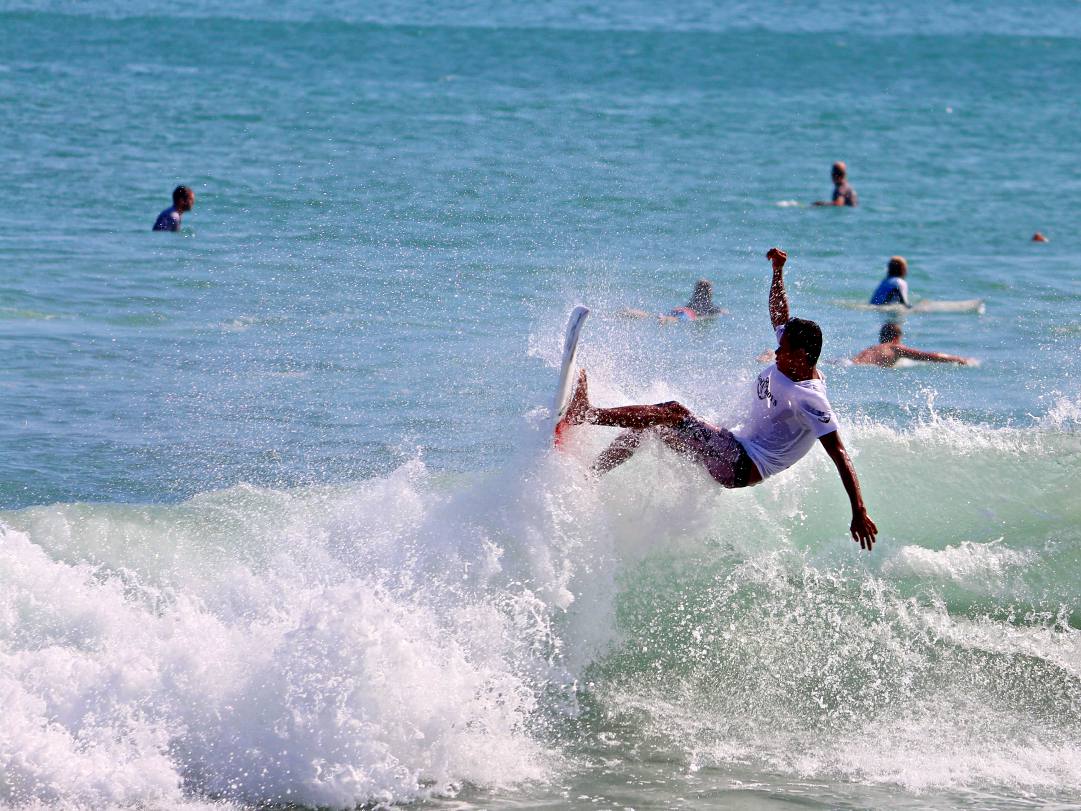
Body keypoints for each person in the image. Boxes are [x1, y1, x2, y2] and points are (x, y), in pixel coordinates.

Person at [564, 248, 878, 551]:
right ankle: (590, 476)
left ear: (801, 356)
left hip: (741, 463)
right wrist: (778, 271)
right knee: (651, 424)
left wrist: (858, 511)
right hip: (731, 447)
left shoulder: (810, 399)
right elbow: (779, 312)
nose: (777, 351)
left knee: (672, 411)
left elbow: (839, 453)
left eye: (784, 349)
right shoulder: (792, 356)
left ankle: (586, 415)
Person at [852, 323, 971, 367]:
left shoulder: (871, 348)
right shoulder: (895, 347)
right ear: (896, 337)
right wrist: (958, 359)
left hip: (851, 364)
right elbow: (929, 356)